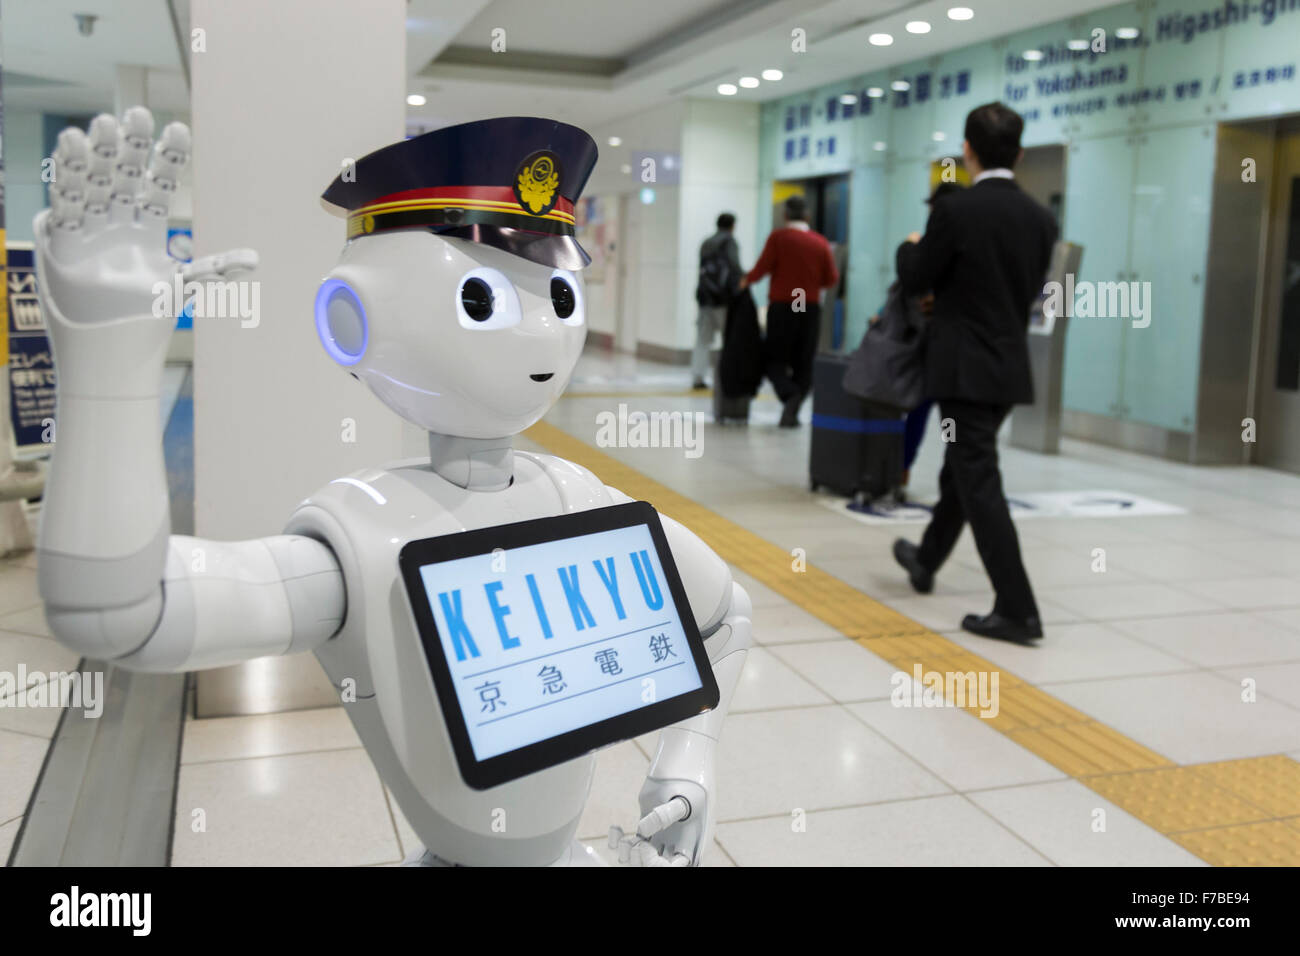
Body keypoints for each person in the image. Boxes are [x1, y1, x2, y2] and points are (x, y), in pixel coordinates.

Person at [890, 102, 1057, 643]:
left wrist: (909, 249)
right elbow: (1024, 291)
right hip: (1007, 368)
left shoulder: (956, 211)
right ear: (1020, 151)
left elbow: (918, 279)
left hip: (963, 370)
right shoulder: (1041, 218)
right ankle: (927, 558)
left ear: (967, 150)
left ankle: (1018, 607)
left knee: (978, 480)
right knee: (966, 470)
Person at [739, 195, 838, 427]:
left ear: (785, 216)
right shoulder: (820, 242)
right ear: (807, 216)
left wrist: (746, 281)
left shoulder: (779, 238)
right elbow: (831, 278)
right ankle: (793, 408)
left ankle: (788, 393)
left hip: (784, 307)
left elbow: (762, 268)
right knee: (804, 361)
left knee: (774, 359)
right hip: (808, 307)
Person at [692, 213, 742, 390]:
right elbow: (735, 267)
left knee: (702, 340)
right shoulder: (729, 242)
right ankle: (727, 376)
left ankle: (698, 376)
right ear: (732, 226)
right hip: (723, 300)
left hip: (705, 297)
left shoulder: (706, 242)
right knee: (728, 338)